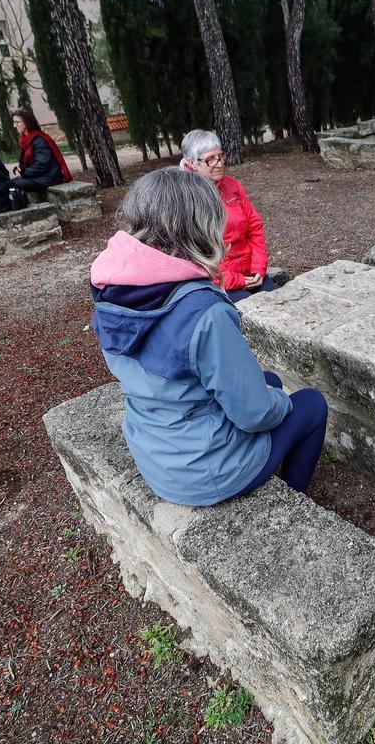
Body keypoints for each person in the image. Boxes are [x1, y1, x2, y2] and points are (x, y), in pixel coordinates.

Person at [89, 167, 329, 506]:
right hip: (204, 471)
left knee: (268, 378)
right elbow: (254, 414)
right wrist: (280, 400)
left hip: (153, 447)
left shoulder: (112, 286)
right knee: (311, 404)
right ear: (199, 225)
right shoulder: (203, 310)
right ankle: (292, 500)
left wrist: (266, 388)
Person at [180, 129, 276, 303]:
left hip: (250, 272)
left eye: (220, 156)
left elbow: (254, 227)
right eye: (210, 159)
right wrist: (236, 280)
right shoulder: (184, 199)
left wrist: (258, 268)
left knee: (278, 304)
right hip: (218, 281)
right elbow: (195, 254)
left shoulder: (232, 186)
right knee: (250, 315)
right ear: (192, 162)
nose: (219, 164)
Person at [10, 109, 70, 194]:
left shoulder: (39, 139)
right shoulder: (25, 139)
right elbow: (27, 162)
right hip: (37, 176)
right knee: (6, 183)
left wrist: (23, 173)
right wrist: (20, 169)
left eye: (17, 122)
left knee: (10, 185)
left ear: (27, 122)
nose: (15, 126)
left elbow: (41, 165)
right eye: (14, 122)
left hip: (48, 177)